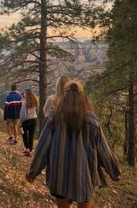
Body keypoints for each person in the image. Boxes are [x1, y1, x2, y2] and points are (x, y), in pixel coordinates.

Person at [26, 80, 121, 208]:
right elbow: (104, 151)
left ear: (63, 97)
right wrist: (114, 172)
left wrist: (32, 173)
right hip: (84, 178)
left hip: (60, 178)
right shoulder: (92, 121)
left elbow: (42, 149)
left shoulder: (54, 118)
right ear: (83, 98)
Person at [20, 88, 38, 157]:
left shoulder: (24, 103)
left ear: (26, 94)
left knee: (24, 134)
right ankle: (30, 149)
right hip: (34, 119)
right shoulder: (35, 101)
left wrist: (21, 121)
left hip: (26, 120)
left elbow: (23, 114)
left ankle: (27, 148)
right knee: (31, 135)